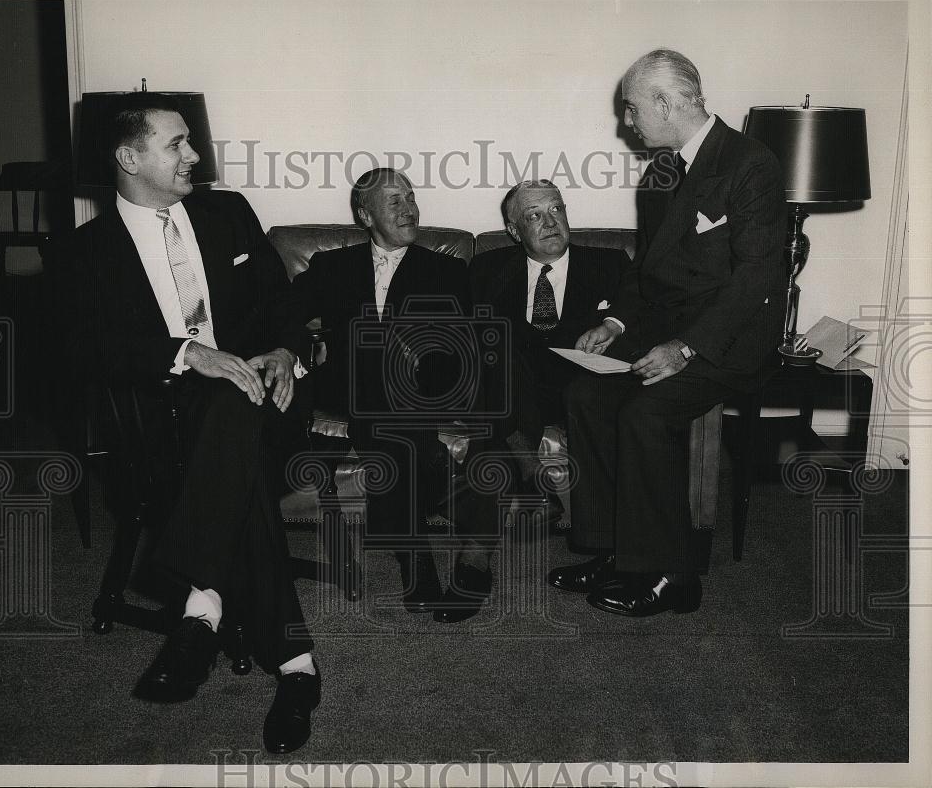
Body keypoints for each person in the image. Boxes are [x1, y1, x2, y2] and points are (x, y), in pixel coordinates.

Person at [71, 92, 319, 753]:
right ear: (128, 157)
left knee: (236, 404)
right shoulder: (85, 251)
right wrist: (188, 353)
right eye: (176, 144)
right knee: (235, 453)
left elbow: (283, 303)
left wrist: (285, 352)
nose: (196, 155)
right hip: (159, 427)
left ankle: (198, 603)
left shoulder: (227, 213)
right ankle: (295, 665)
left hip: (267, 403)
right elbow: (87, 350)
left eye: (190, 141)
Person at [549, 49, 786, 615]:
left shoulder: (751, 163)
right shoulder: (659, 172)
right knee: (585, 393)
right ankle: (613, 551)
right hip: (665, 326)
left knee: (643, 413)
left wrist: (685, 348)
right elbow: (645, 271)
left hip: (730, 336)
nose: (626, 122)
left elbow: (755, 278)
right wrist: (615, 321)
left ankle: (673, 578)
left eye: (631, 110)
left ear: (664, 102)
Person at [292, 168, 496, 623]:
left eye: (411, 198)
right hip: (351, 384)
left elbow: (465, 341)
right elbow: (283, 316)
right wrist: (303, 352)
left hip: (421, 388)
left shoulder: (446, 269)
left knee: (396, 410)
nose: (409, 208)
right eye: (394, 202)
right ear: (365, 215)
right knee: (376, 372)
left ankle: (414, 552)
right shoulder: (332, 267)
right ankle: (443, 536)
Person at [468, 180, 625, 520]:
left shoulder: (611, 264)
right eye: (534, 215)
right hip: (509, 383)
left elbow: (637, 320)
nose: (551, 222)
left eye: (556, 209)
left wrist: (611, 330)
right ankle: (531, 478)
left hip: (576, 385)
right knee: (497, 352)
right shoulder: (486, 270)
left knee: (494, 405)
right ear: (514, 230)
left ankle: (478, 543)